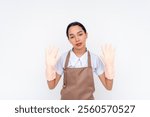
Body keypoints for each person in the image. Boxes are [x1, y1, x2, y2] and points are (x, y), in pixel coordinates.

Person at [45, 21, 115, 100]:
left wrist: (109, 66)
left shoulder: (94, 59)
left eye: (80, 34)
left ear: (86, 35)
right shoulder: (63, 58)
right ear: (69, 40)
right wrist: (49, 68)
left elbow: (108, 87)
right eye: (72, 37)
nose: (77, 39)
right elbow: (51, 86)